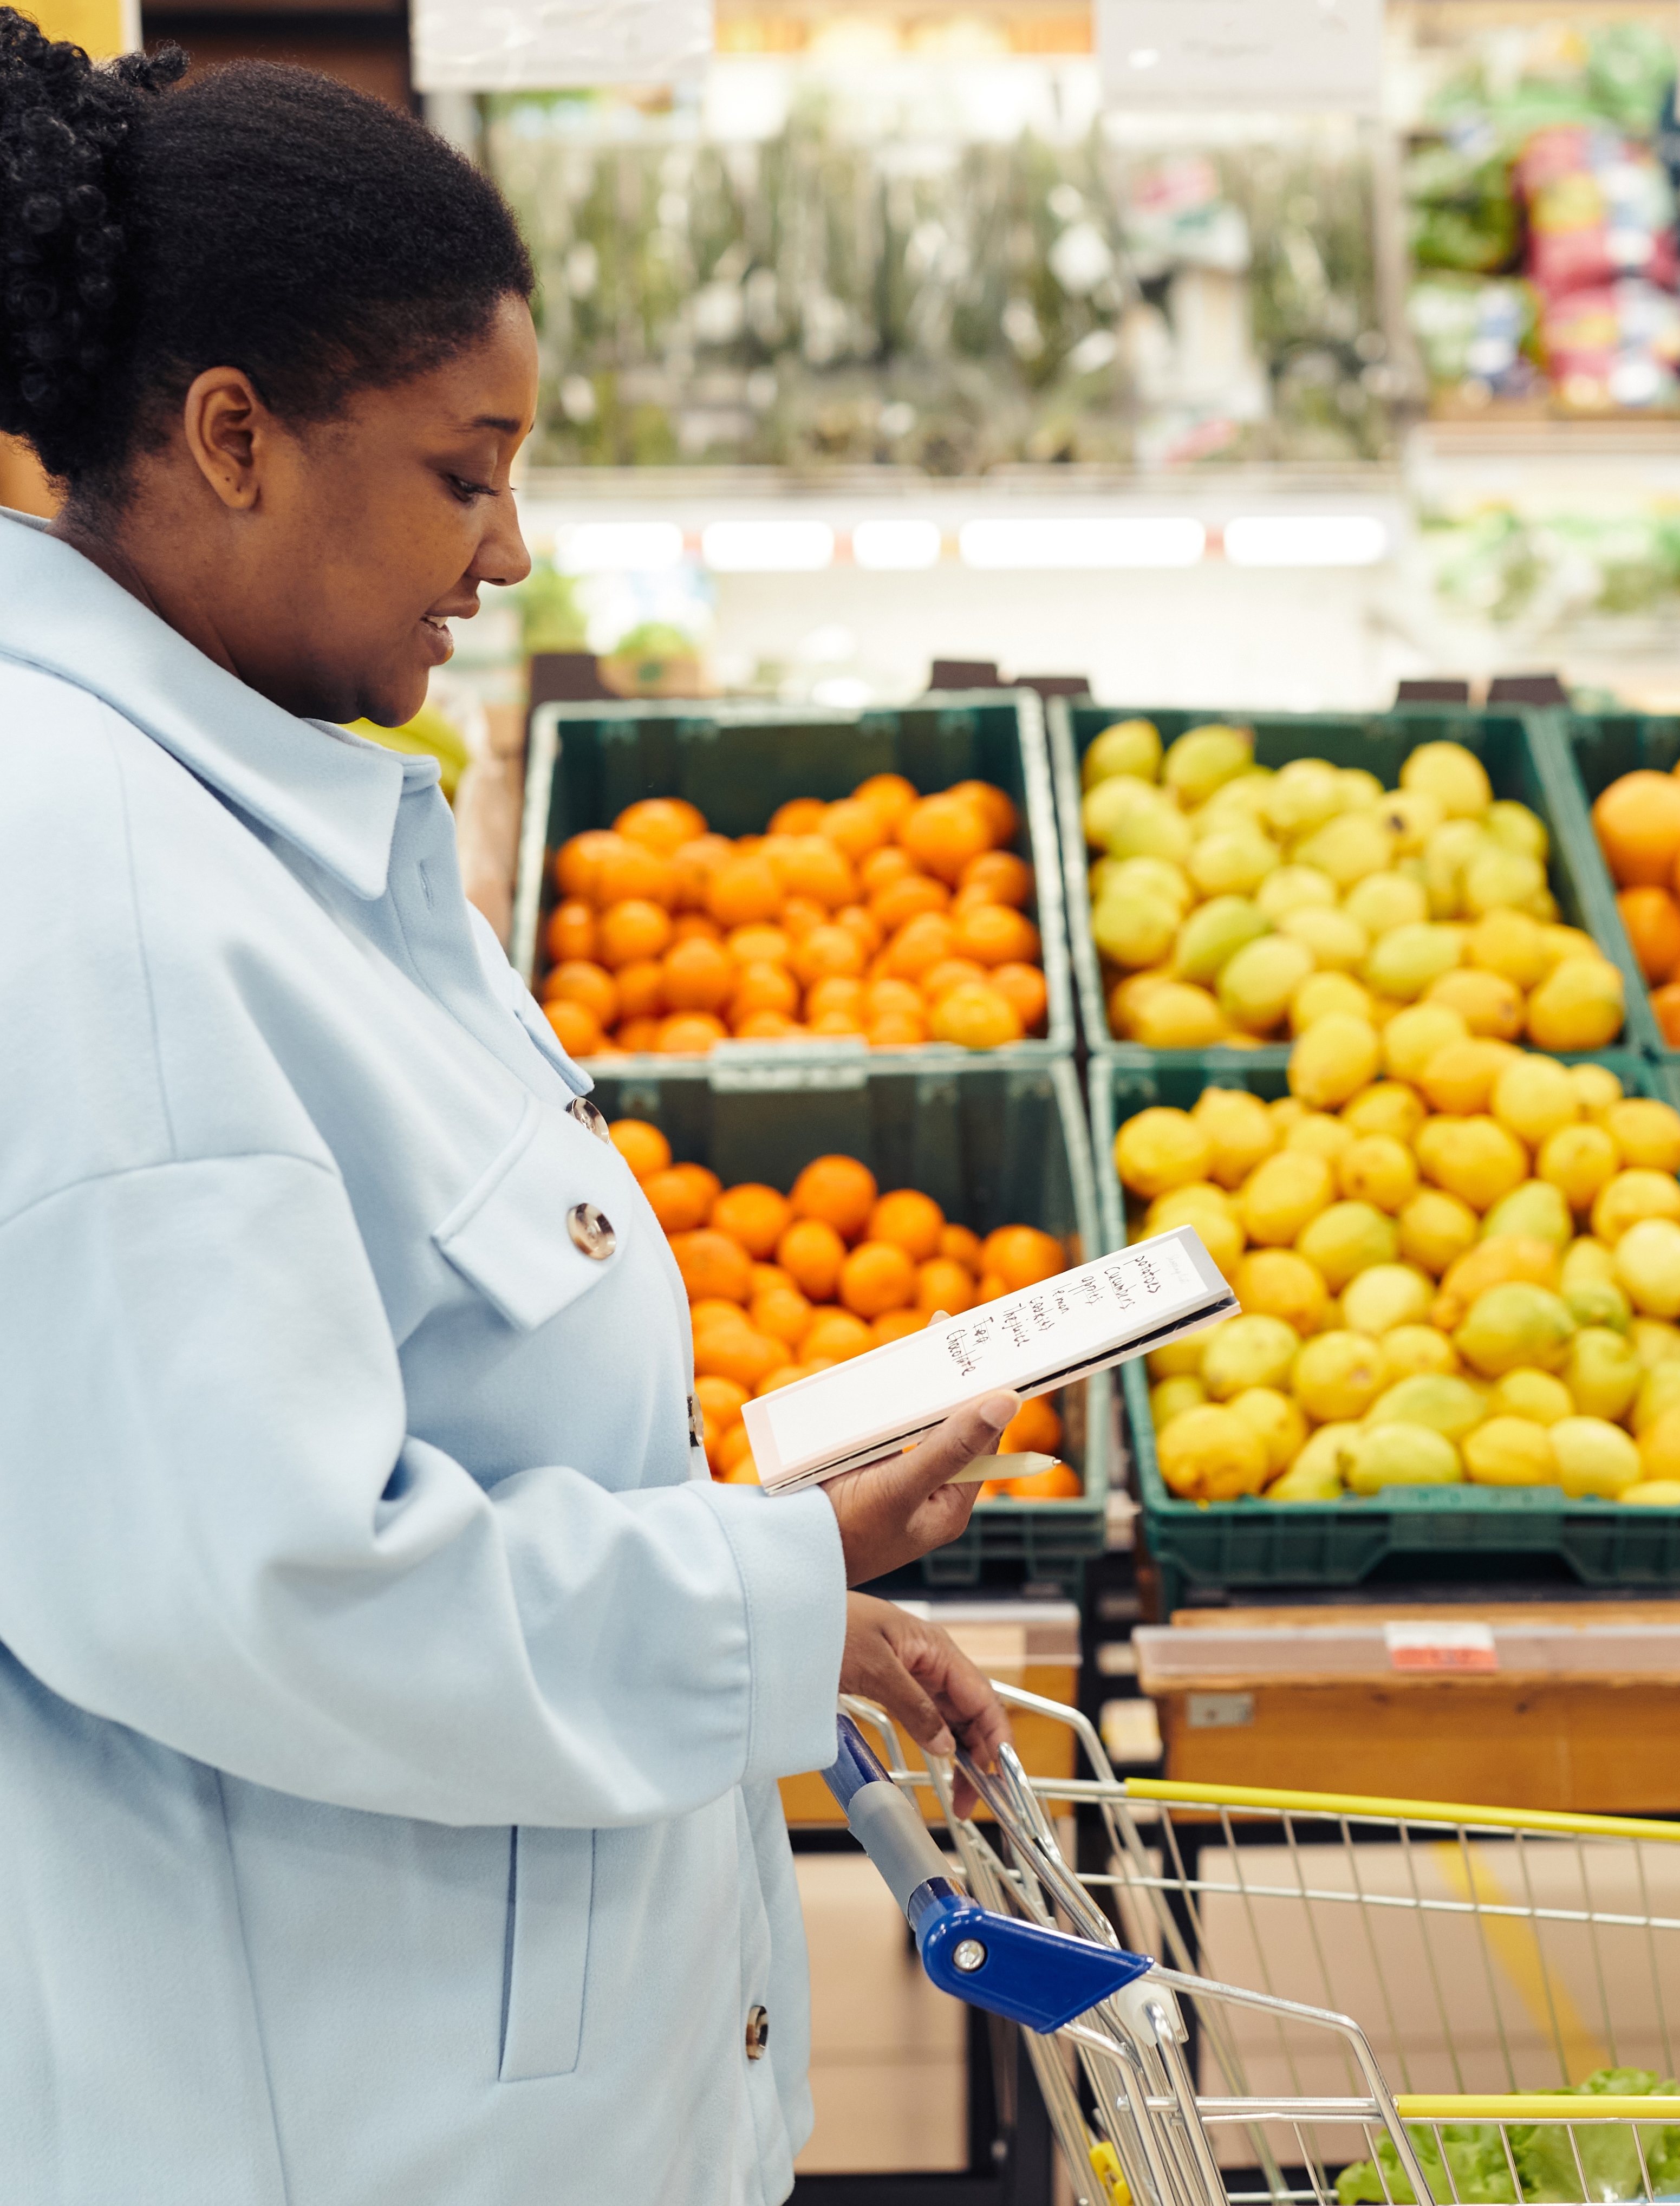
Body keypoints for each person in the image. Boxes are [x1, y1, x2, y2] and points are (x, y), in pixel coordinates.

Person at [0, 21, 1013, 2203]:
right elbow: (264, 1579)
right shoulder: (88, 876)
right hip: (321, 2131)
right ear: (234, 436)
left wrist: (779, 1617)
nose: (511, 547)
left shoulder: (257, 804)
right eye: (467, 471)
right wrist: (765, 1578)